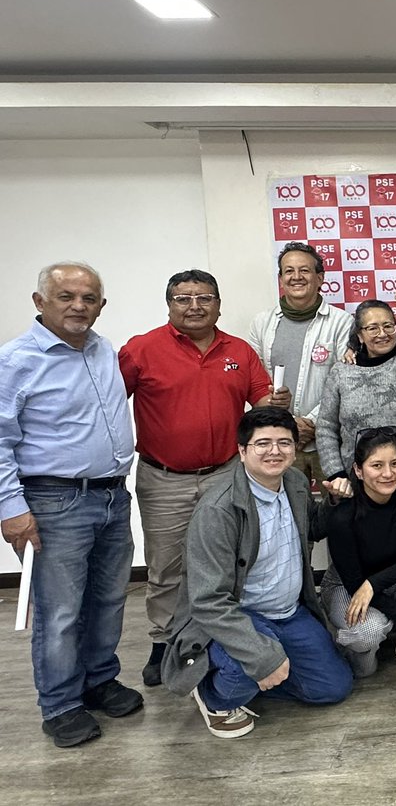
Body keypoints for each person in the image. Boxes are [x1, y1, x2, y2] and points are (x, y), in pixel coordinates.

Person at [120, 269, 288, 687]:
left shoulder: (239, 350)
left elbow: (261, 403)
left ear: (218, 303)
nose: (194, 306)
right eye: (183, 298)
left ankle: (225, 635)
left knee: (231, 559)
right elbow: (105, 405)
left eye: (204, 297)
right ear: (169, 303)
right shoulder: (141, 350)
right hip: (164, 479)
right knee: (166, 566)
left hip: (228, 475)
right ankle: (164, 642)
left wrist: (276, 403)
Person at [0, 262, 142, 748]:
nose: (79, 306)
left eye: (89, 298)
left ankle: (99, 679)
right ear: (40, 302)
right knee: (60, 611)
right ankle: (60, 704)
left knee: (108, 598)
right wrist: (11, 508)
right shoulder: (15, 360)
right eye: (66, 296)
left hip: (111, 497)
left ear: (102, 305)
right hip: (52, 502)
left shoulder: (103, 349)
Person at [161, 407, 353, 739]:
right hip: (239, 613)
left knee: (333, 687)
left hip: (288, 613)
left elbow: (312, 528)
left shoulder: (293, 481)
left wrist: (333, 503)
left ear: (295, 448)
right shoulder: (218, 510)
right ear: (242, 451)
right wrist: (260, 657)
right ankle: (212, 694)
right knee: (249, 666)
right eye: (263, 443)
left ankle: (265, 670)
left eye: (284, 442)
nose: (275, 451)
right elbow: (208, 602)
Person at [321, 428, 396, 680]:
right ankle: (357, 652)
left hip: (391, 579)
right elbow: (355, 582)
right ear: (358, 470)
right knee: (368, 636)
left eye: (395, 464)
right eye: (377, 465)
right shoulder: (344, 511)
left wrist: (373, 584)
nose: (388, 473)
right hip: (347, 585)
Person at [248, 241, 356, 486]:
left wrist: (310, 424)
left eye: (304, 271)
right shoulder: (261, 323)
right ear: (281, 279)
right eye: (289, 271)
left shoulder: (342, 322)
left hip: (329, 440)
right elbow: (256, 381)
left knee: (336, 514)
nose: (296, 277)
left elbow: (346, 383)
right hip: (279, 441)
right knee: (286, 515)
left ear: (320, 278)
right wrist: (289, 426)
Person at [317, 293, 396, 485]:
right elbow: (326, 428)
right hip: (358, 477)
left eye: (388, 326)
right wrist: (336, 474)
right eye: (372, 328)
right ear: (360, 336)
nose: (382, 333)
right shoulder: (341, 372)